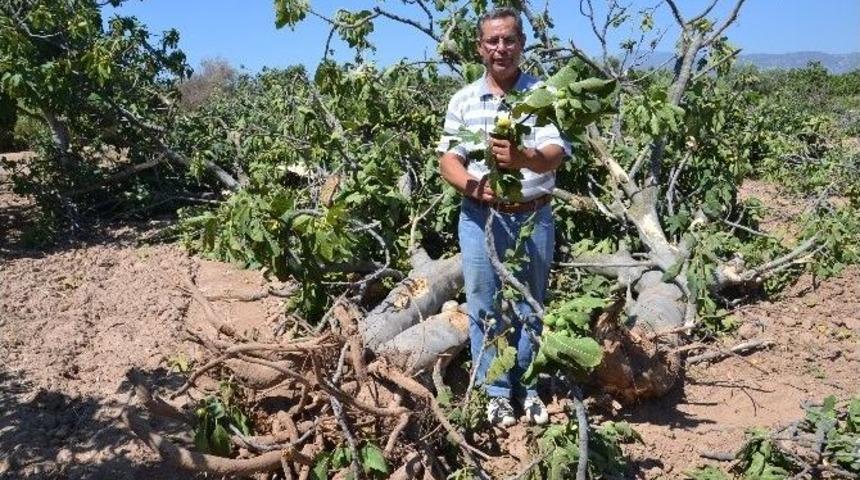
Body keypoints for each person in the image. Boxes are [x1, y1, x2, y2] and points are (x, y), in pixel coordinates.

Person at [436, 7, 569, 427]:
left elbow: (554, 155)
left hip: (533, 216)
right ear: (480, 48)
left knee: (531, 302)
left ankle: (528, 386)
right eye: (492, 41)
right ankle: (494, 390)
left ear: (522, 45)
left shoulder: (542, 95)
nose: (501, 48)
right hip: (479, 217)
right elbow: (448, 161)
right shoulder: (464, 100)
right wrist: (475, 186)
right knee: (483, 303)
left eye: (509, 40)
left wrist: (521, 158)